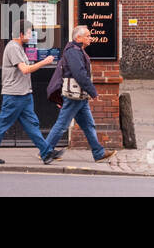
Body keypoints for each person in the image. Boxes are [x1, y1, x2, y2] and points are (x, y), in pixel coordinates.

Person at [0, 24, 59, 164]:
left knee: (31, 124)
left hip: (24, 93)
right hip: (14, 94)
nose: (31, 36)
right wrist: (44, 62)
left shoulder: (18, 47)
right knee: (2, 124)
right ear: (21, 34)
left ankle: (46, 153)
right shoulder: (13, 48)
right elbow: (25, 69)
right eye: (29, 33)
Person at [41, 25, 114, 164]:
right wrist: (92, 91)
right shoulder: (73, 52)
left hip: (80, 96)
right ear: (78, 38)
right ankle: (45, 150)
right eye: (87, 36)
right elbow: (79, 74)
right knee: (62, 125)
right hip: (74, 96)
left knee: (88, 125)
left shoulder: (78, 50)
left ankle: (98, 153)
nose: (90, 38)